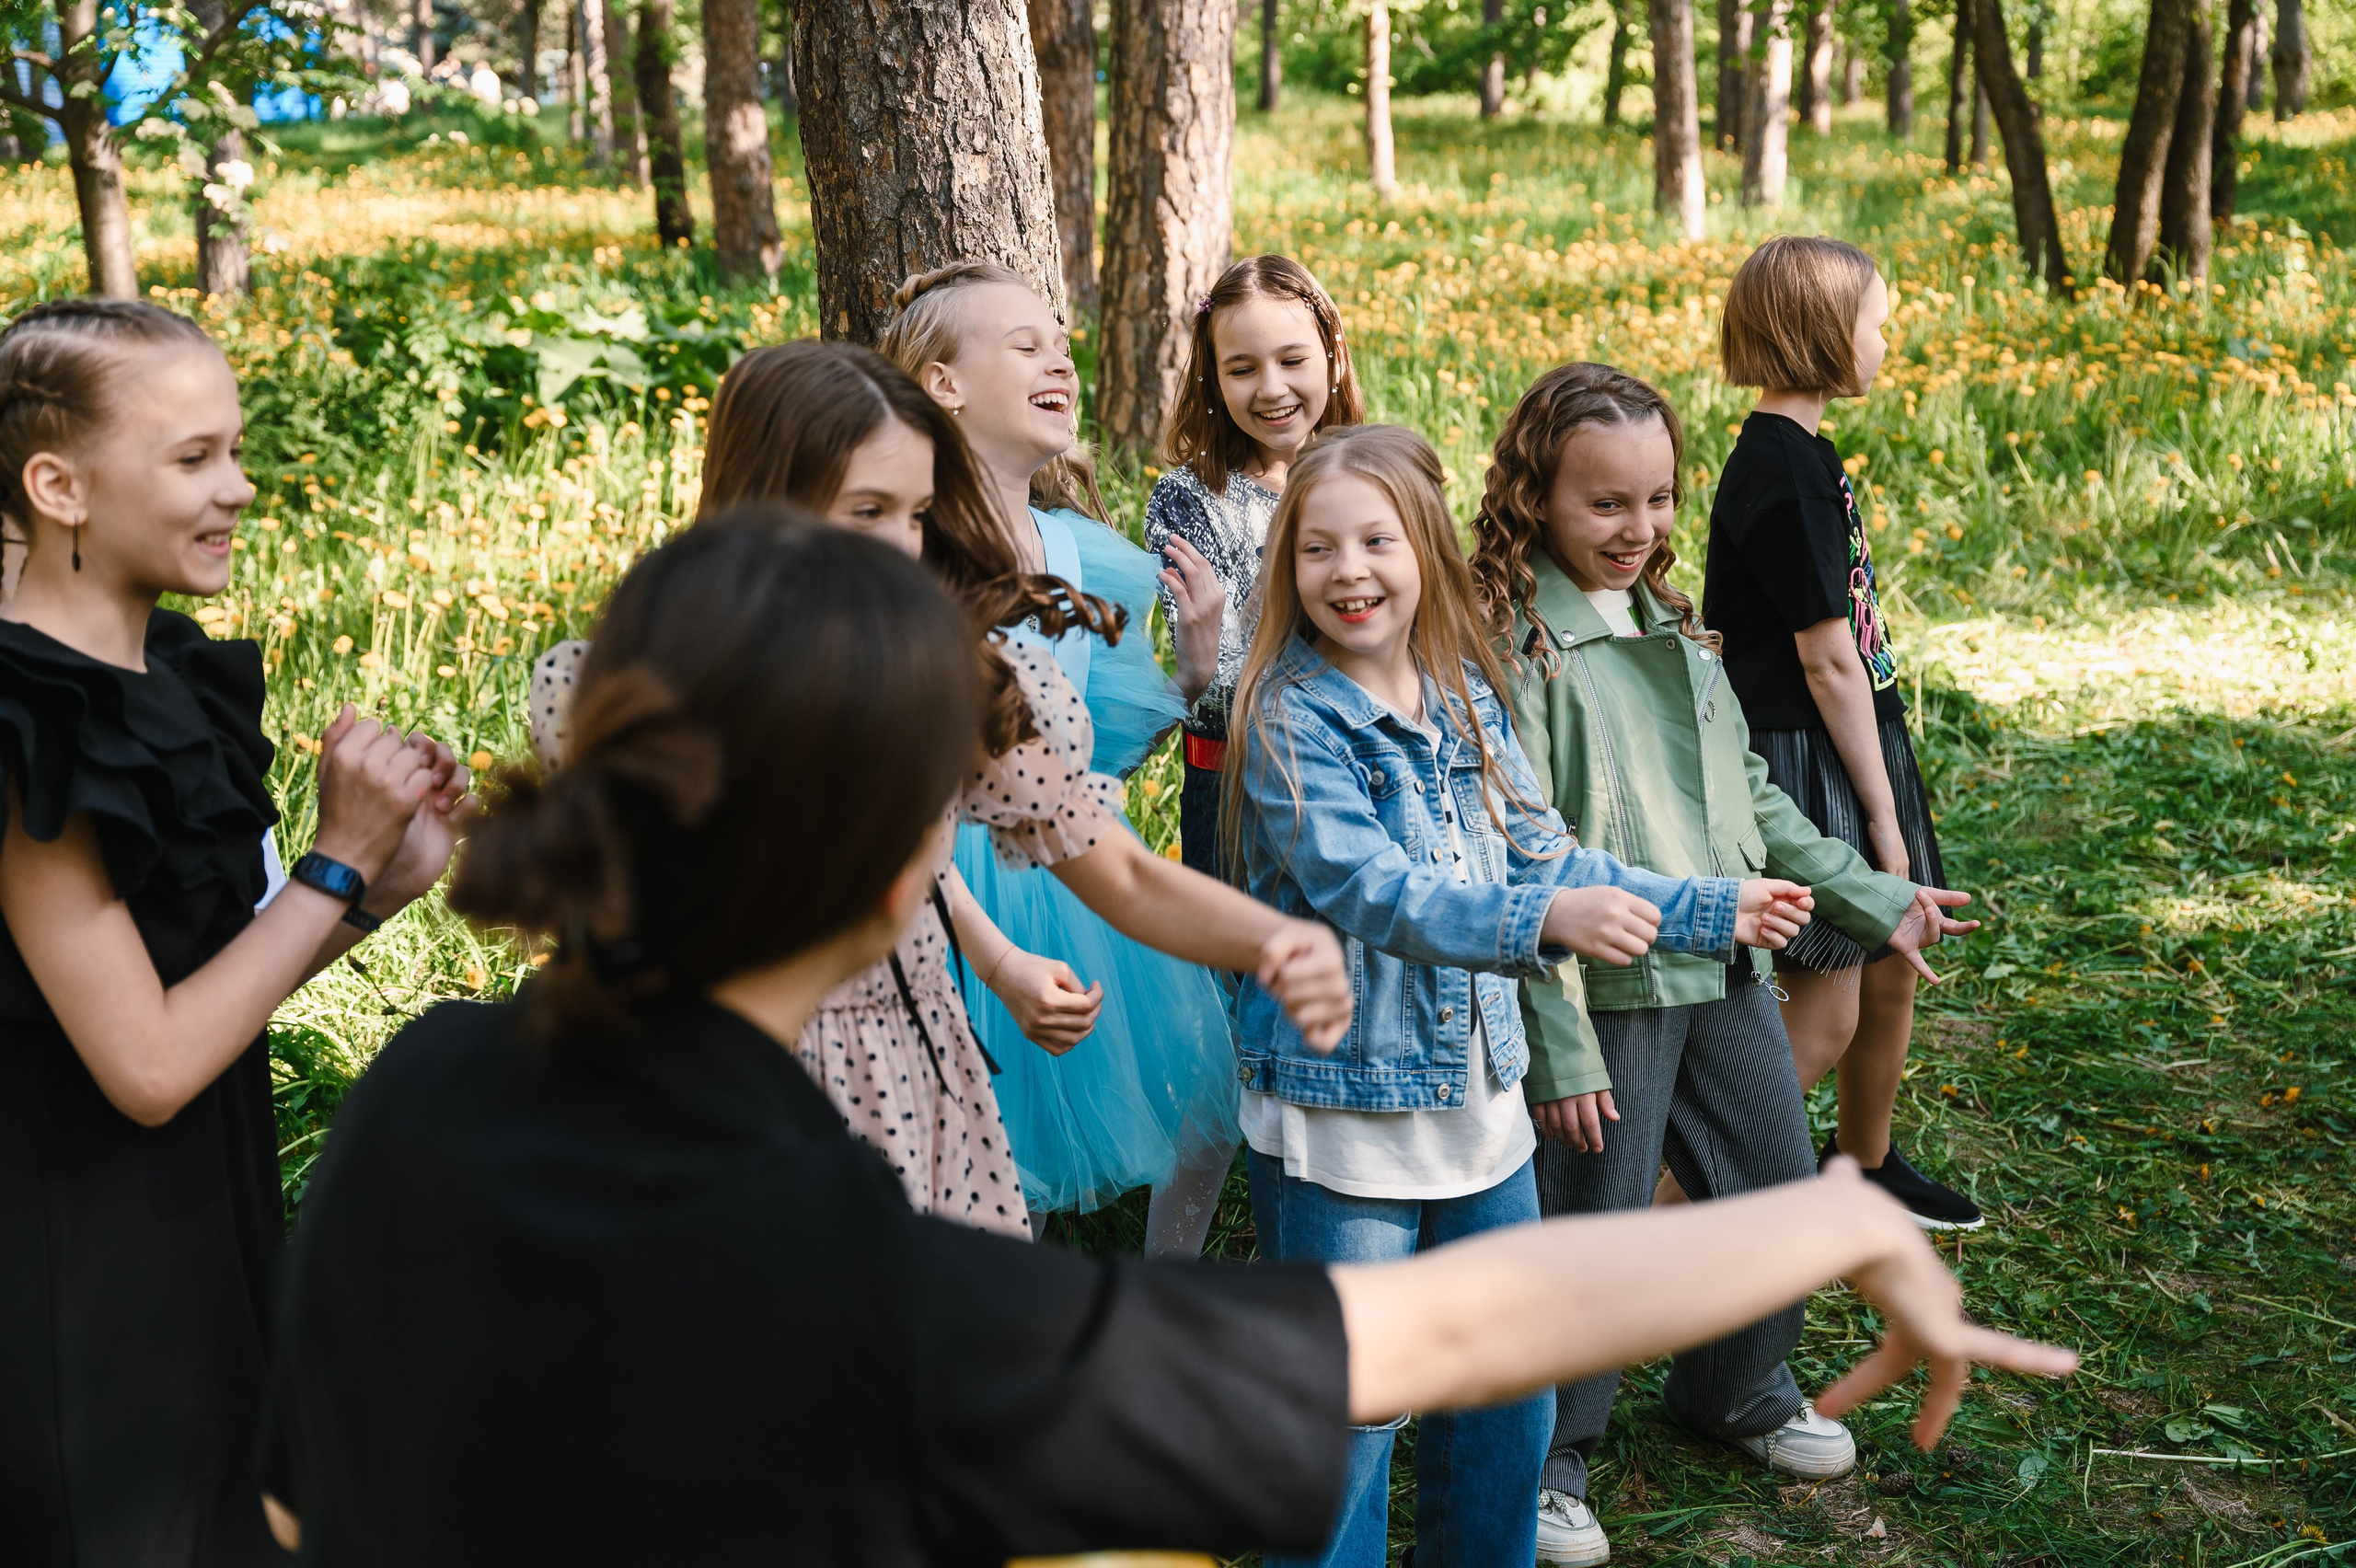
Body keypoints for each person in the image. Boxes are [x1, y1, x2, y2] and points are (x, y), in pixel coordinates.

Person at [258, 514, 2077, 1567]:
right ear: (903, 858)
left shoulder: (425, 1091)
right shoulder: (856, 1290)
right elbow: (1424, 1328)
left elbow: (294, 1492)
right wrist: (1823, 1217)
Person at [529, 339, 1352, 1240]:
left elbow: (1122, 875)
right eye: (866, 508)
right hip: (717, 1076)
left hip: (908, 1072)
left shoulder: (952, 682)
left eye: (916, 514)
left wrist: (1275, 939)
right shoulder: (639, 685)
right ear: (761, 498)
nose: (898, 543)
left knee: (944, 1339)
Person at [1220, 424, 1821, 1568]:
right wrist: (1542, 923)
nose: (1350, 572)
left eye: (1377, 542)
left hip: (1477, 1115)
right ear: (1287, 569)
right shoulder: (1290, 721)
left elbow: (1544, 853)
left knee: (1504, 1399)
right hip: (1345, 1122)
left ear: (1428, 553)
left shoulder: (1463, 694)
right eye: (1318, 550)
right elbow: (1373, 890)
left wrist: (1710, 904)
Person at [1468, 361, 1981, 1564]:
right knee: (1596, 1216)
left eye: (1655, 501)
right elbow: (1516, 863)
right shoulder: (1516, 647)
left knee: (1768, 1176)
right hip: (1608, 983)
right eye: (1604, 505)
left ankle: (1734, 1385)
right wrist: (1558, 1046)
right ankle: (1550, 1455)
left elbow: (1751, 800)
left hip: (1729, 972)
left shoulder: (1678, 634)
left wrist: (1873, 893)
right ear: (1536, 497)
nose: (1636, 530)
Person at [0, 298, 468, 1565]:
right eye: (194, 457)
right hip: (79, 1271)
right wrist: (333, 860)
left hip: (204, 1221)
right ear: (60, 485)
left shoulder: (171, 676)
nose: (241, 489)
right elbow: (145, 1067)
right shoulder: (25, 723)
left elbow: (201, 999)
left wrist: (377, 886)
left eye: (238, 451)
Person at [884, 262, 1235, 1254]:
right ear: (944, 384)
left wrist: (1191, 680)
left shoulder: (1084, 555)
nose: (1061, 361)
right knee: (976, 1155)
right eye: (1025, 344)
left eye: (1063, 346)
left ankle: (1158, 1319)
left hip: (1072, 883)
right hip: (940, 885)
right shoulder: (907, 551)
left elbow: (1095, 750)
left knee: (1202, 1114)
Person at [1703, 236, 1983, 1230]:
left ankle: (1865, 1161)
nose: (1885, 339)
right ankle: (1648, 1218)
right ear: (1822, 333)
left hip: (1857, 737)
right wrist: (1879, 816)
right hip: (1805, 754)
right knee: (1821, 1010)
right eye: (1876, 321)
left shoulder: (1807, 453)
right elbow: (1825, 660)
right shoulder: (1775, 467)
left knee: (1892, 962)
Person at [1144, 252, 1364, 881]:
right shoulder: (1190, 500)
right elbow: (1217, 681)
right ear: (1214, 379)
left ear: (1333, 356)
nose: (1271, 388)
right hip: (1240, 787)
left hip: (1364, 766)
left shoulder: (1372, 476)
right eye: (1243, 369)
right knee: (1245, 970)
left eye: (1293, 361)